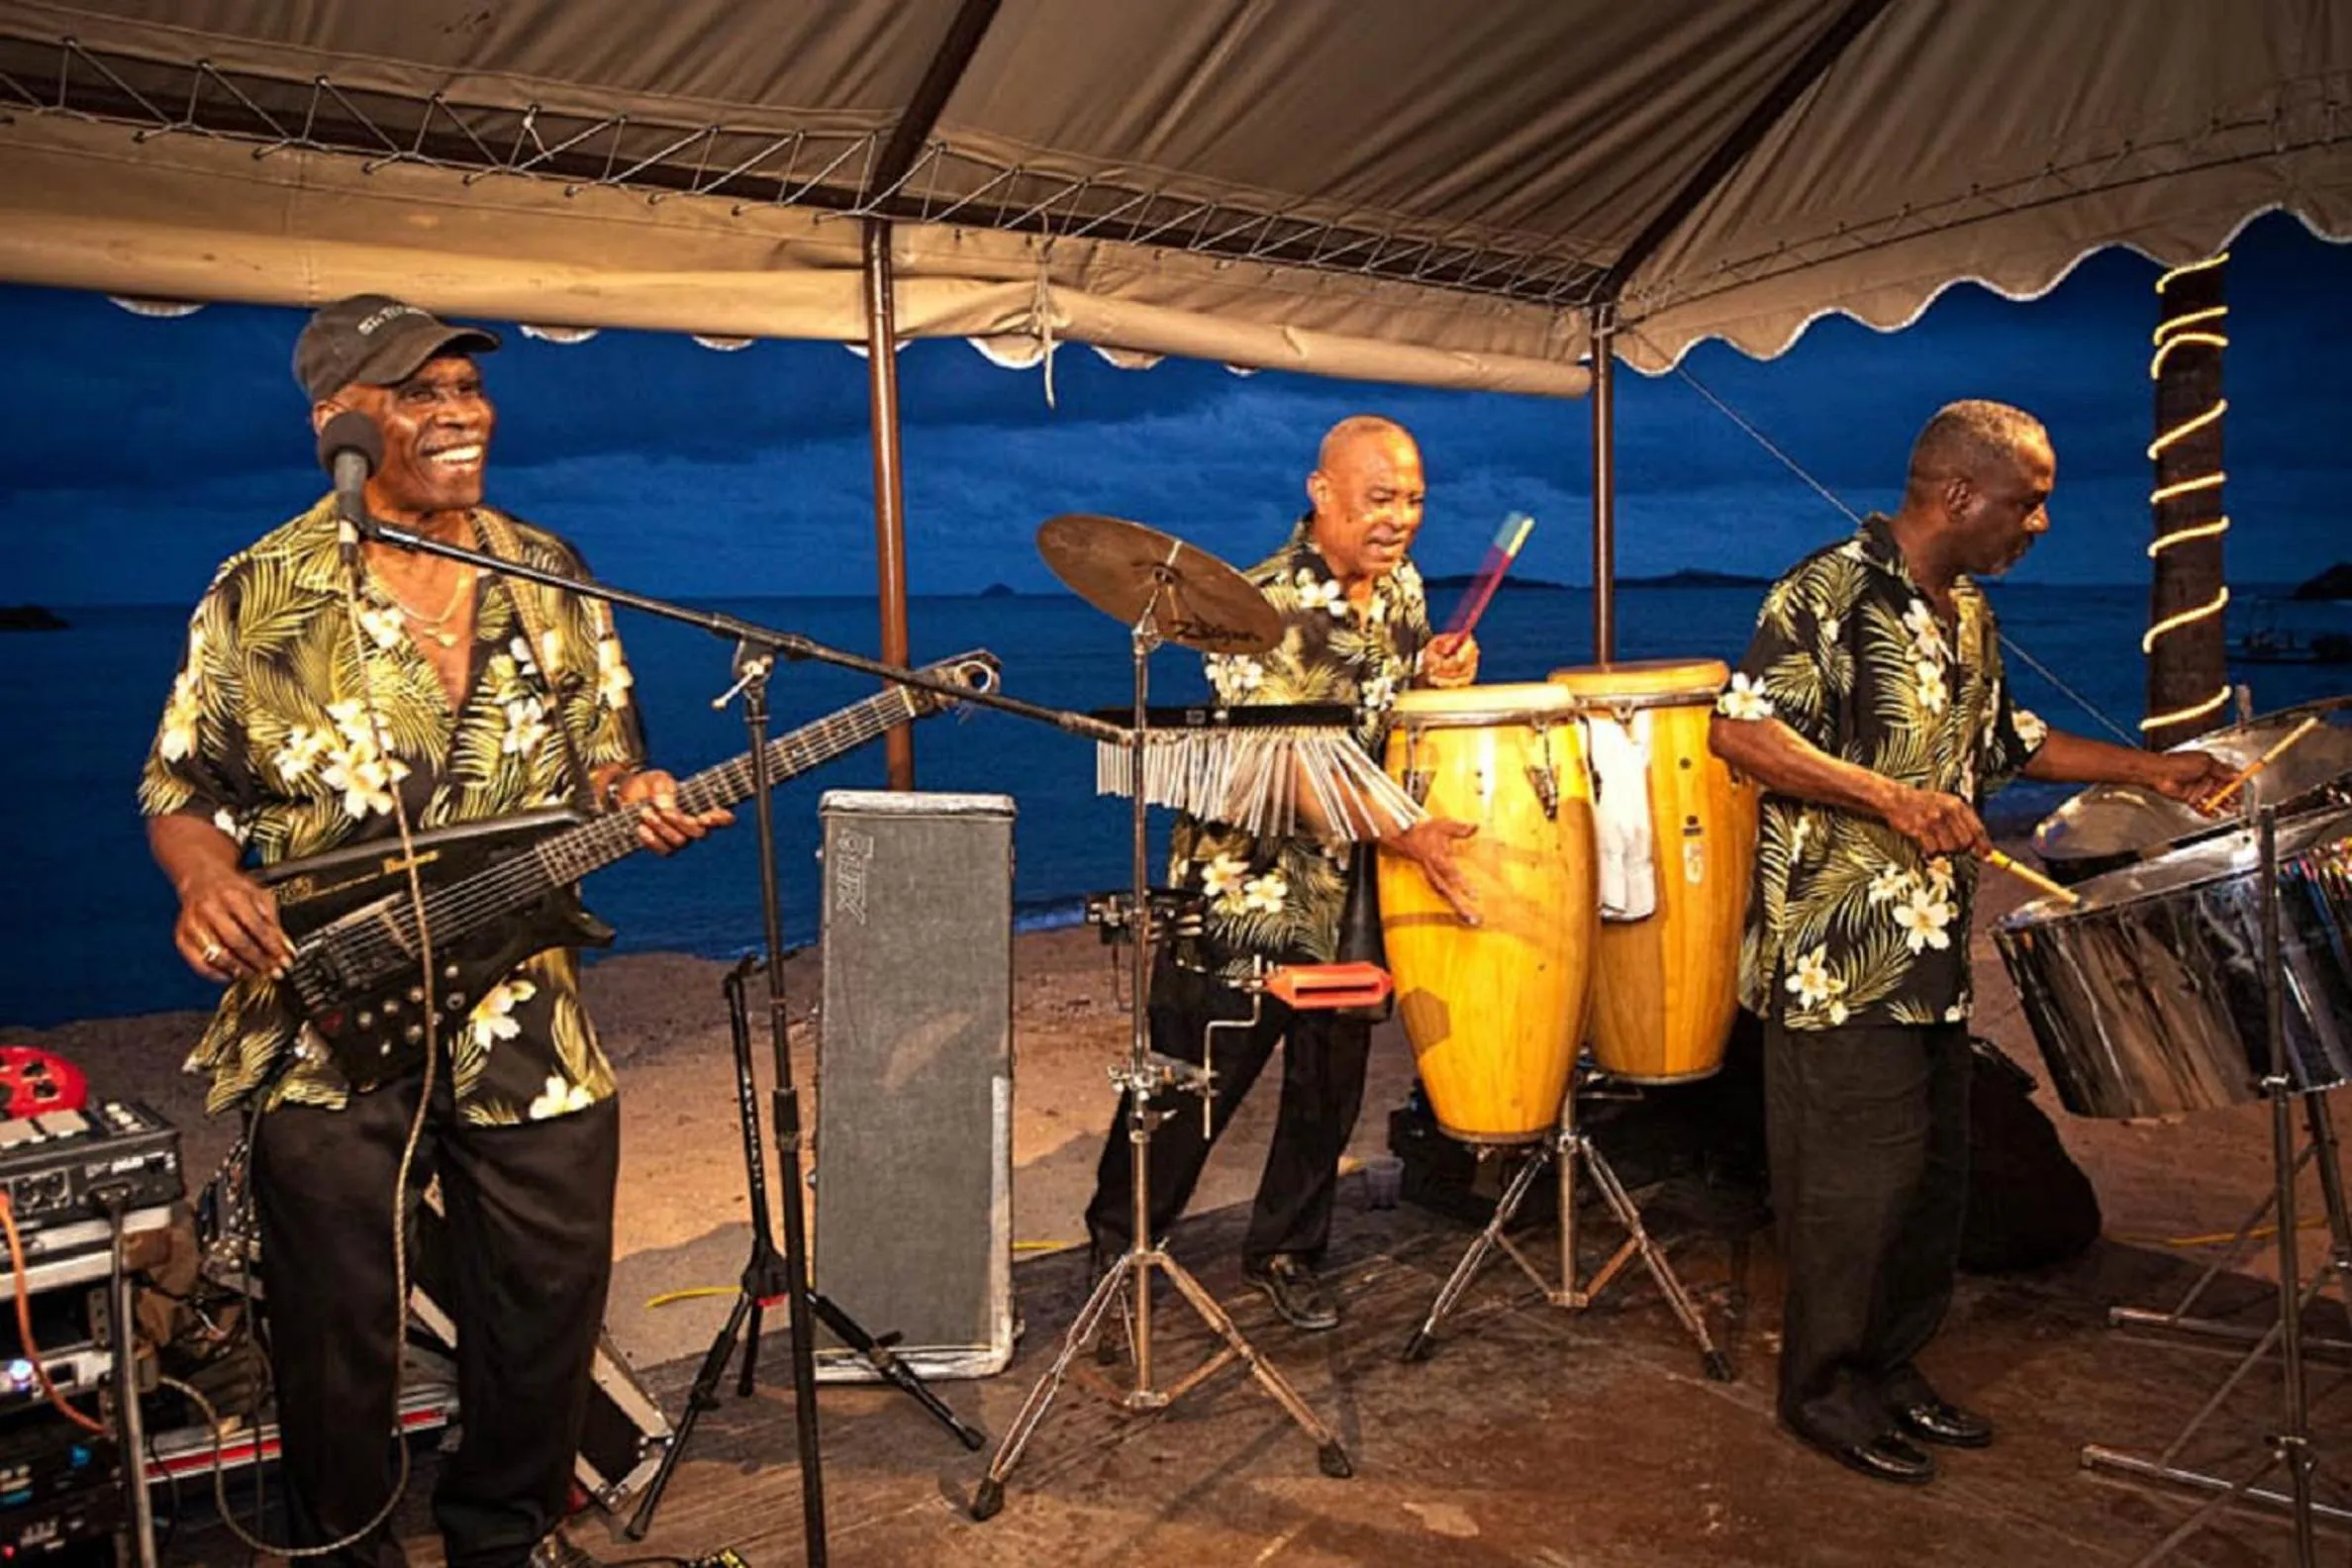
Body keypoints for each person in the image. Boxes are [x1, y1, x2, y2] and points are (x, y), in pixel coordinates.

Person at [140, 295, 731, 1568]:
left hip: (523, 1009)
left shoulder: (549, 571)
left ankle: (499, 1538)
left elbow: (607, 765)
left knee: (545, 1309)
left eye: (466, 385)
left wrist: (638, 799)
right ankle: (349, 1551)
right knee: (336, 1331)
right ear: (338, 425)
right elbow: (185, 791)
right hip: (323, 1016)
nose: (460, 411)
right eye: (420, 391)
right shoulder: (260, 593)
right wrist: (204, 883)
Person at [1708, 399, 2233, 1486]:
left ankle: (1892, 1369)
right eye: (2027, 501)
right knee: (1850, 1193)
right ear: (1957, 493)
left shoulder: (1968, 615)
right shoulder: (1828, 591)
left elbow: (2008, 741)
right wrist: (1891, 798)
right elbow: (1744, 731)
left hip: (1937, 957)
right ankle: (1822, 1391)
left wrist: (2152, 770)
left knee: (1926, 1186)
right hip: (1838, 958)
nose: (2039, 522)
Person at [1081, 414, 1481, 1331]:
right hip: (1244, 890)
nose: (1402, 520)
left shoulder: (1404, 590)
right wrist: (1411, 833)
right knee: (1194, 1079)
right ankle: (1119, 1237)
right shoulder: (1247, 610)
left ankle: (1289, 1249)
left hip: (1354, 880)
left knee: (1327, 1085)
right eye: (1382, 499)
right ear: (1322, 492)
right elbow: (1285, 772)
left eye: (1416, 500)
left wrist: (1440, 678)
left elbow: (1394, 709)